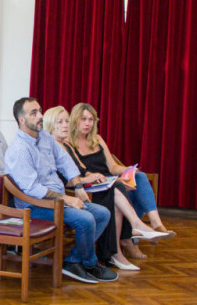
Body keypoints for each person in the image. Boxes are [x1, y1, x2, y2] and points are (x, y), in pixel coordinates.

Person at [5, 98, 116, 284]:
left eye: (40, 110)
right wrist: (66, 199)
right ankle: (89, 263)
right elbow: (32, 189)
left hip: (55, 200)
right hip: (35, 205)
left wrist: (78, 186)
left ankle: (73, 261)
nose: (40, 116)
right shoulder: (20, 149)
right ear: (21, 120)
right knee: (86, 219)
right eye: (34, 113)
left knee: (103, 213)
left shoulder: (44, 137)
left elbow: (64, 160)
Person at [63, 103, 171, 263]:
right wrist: (115, 180)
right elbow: (79, 174)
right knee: (122, 188)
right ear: (75, 120)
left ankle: (155, 223)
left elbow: (112, 167)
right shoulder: (67, 143)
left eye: (91, 120)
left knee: (139, 177)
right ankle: (130, 235)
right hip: (92, 188)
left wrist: (128, 170)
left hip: (110, 181)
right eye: (83, 119)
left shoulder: (97, 139)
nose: (87, 123)